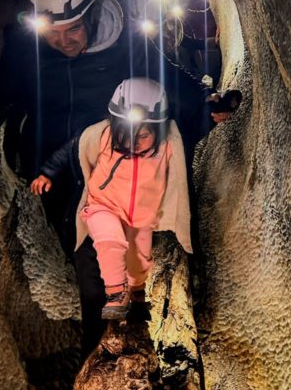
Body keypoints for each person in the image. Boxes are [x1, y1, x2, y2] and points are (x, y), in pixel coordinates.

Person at [0, 0, 238, 353]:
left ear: (91, 14)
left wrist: (204, 106)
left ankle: (126, 323)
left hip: (111, 155)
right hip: (54, 156)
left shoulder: (125, 42)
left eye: (73, 30)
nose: (64, 42)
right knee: (82, 243)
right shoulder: (28, 47)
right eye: (55, 34)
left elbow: (165, 81)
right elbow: (3, 87)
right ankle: (104, 343)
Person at [31, 78, 191, 320]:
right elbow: (73, 147)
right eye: (126, 133)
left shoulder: (167, 146)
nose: (133, 140)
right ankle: (116, 293)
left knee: (139, 260)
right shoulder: (103, 136)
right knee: (110, 241)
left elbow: (196, 128)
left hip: (141, 215)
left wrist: (215, 109)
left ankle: (137, 291)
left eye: (143, 135)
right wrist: (48, 172)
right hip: (102, 205)